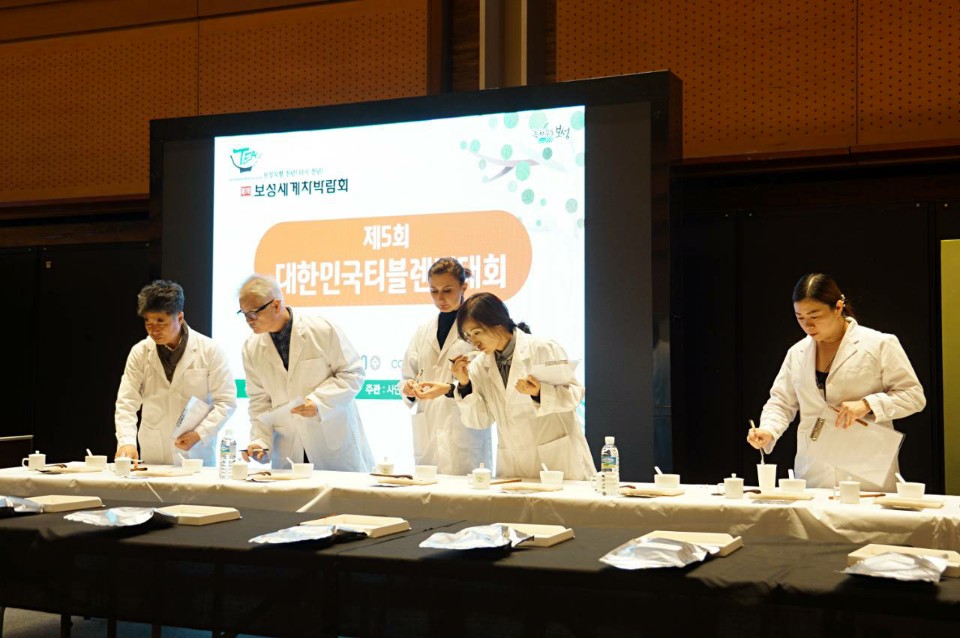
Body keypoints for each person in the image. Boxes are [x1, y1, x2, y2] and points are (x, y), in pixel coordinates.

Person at [747, 273, 926, 491]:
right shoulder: (797, 352)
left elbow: (913, 396)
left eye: (815, 316)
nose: (807, 325)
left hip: (866, 468)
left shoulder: (879, 344)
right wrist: (768, 429)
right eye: (800, 317)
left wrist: (867, 404)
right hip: (813, 470)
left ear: (838, 307)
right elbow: (781, 402)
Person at [431, 292, 594, 479]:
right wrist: (464, 384)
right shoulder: (479, 366)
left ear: (497, 324)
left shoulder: (542, 348)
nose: (474, 342)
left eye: (477, 332)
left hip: (557, 460)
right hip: (513, 463)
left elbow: (574, 394)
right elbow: (479, 420)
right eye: (468, 336)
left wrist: (539, 393)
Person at [239, 274, 374, 471]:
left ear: (276, 305)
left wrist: (318, 402)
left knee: (338, 490)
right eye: (243, 314)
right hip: (288, 446)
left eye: (253, 313)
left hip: (330, 438)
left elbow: (352, 373)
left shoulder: (321, 330)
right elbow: (259, 400)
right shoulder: (251, 348)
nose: (249, 321)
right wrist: (260, 441)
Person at [114, 280, 236, 465]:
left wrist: (200, 433)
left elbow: (226, 401)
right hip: (154, 452)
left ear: (179, 318)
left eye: (160, 321)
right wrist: (126, 442)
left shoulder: (209, 350)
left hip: (195, 454)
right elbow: (127, 402)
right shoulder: (140, 352)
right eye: (148, 322)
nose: (153, 329)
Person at [399, 258, 492, 474]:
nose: (440, 298)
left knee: (466, 490)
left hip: (466, 429)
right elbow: (407, 374)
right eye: (434, 291)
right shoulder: (424, 331)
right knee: (428, 487)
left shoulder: (478, 330)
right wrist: (409, 388)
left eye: (447, 290)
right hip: (429, 429)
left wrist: (450, 389)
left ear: (463, 287)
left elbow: (487, 381)